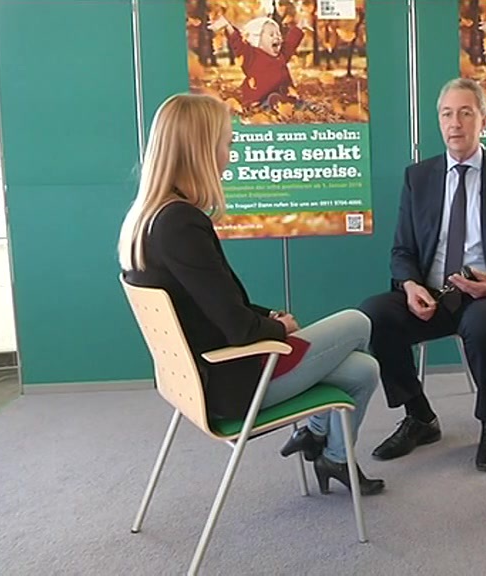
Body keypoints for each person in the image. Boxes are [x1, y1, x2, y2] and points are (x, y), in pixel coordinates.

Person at [118, 93, 384, 496]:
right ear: (201, 149)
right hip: (234, 383)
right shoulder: (181, 224)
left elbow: (210, 302)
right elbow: (238, 328)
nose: (230, 153)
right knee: (359, 322)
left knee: (364, 371)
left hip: (202, 376)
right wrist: (279, 328)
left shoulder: (149, 219)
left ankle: (328, 449)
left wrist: (267, 317)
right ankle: (319, 439)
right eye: (226, 142)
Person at [359, 78, 486, 472]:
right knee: (374, 314)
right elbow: (402, 250)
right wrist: (411, 285)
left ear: (484, 120)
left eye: (465, 113)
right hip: (433, 293)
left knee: (482, 323)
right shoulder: (418, 178)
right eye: (447, 114)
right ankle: (419, 416)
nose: (455, 123)